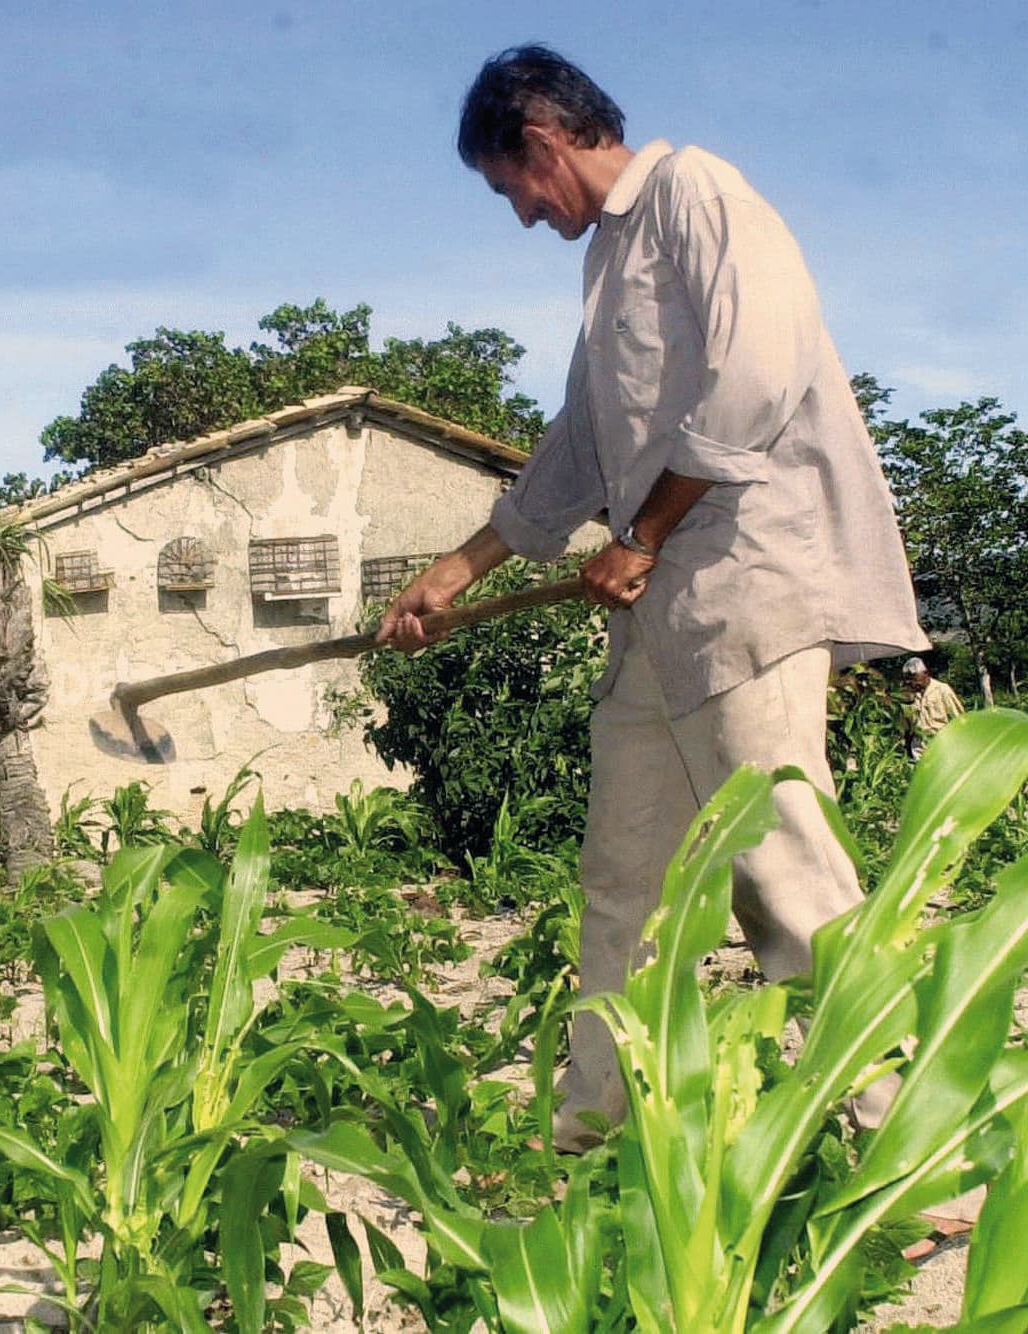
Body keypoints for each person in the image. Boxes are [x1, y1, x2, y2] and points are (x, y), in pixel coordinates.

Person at [382, 48, 930, 1162]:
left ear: (541, 142)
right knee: (624, 880)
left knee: (786, 874)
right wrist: (461, 566)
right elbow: (581, 446)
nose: (523, 216)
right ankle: (596, 1132)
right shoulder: (609, 269)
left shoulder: (696, 194)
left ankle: (915, 1155)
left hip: (745, 591)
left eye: (511, 188)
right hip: (660, 620)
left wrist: (643, 532)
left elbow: (757, 373)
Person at [903, 657, 964, 758]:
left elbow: (959, 718)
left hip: (942, 745)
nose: (912, 683)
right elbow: (908, 726)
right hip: (919, 749)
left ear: (925, 673)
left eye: (914, 678)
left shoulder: (942, 690)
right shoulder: (909, 695)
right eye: (909, 680)